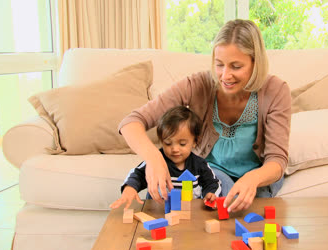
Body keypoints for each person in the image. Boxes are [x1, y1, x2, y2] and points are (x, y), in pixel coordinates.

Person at [116, 19, 291, 213]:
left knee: (253, 211)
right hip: (214, 169)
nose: (225, 76)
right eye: (219, 65)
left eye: (236, 66)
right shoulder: (198, 84)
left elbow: (277, 160)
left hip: (258, 174)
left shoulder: (276, 91)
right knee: (226, 200)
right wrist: (154, 159)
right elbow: (130, 122)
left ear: (255, 63)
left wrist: (252, 178)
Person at [110, 106, 221, 210]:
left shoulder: (199, 164)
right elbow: (137, 174)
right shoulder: (156, 162)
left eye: (182, 144)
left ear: (195, 142)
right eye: (168, 143)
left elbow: (212, 183)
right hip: (159, 211)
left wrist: (211, 194)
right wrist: (130, 189)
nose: (175, 149)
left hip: (190, 213)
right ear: (162, 141)